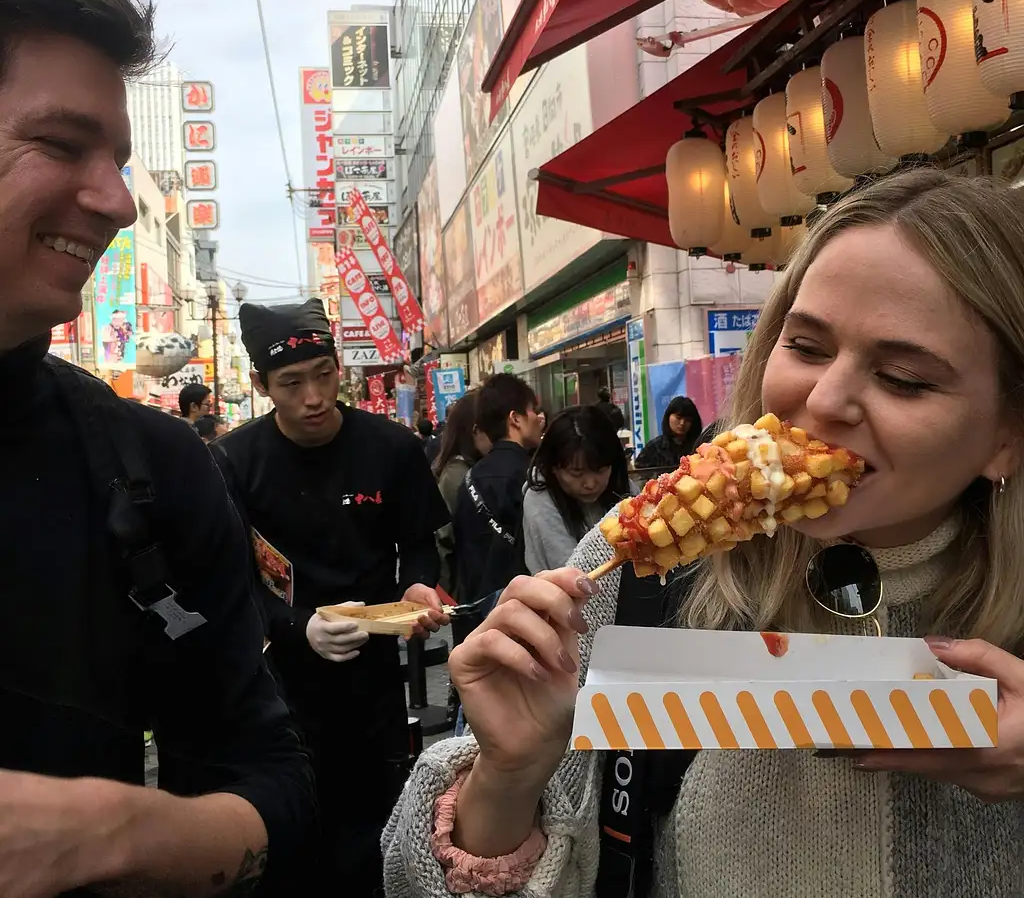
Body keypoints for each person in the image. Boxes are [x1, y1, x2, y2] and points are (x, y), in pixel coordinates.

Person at [382, 170, 1024, 897]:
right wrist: (508, 773)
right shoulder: (634, 574)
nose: (824, 398)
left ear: (1008, 433)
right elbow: (415, 877)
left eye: (904, 376)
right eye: (807, 347)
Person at [0, 0, 314, 896]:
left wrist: (113, 834)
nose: (118, 202)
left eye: (122, 160)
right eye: (61, 144)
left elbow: (274, 782)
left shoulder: (151, 465)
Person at [212, 297, 451, 895]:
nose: (313, 397)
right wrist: (296, 626)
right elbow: (233, 578)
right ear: (261, 384)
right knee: (293, 826)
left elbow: (419, 546)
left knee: (375, 828)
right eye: (292, 383)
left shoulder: (391, 448)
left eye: (324, 375)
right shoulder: (235, 461)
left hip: (373, 673)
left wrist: (416, 587)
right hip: (280, 677)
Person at [451, 373, 544, 605]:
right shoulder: (532, 477)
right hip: (521, 610)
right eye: (533, 410)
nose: (539, 418)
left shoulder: (469, 477)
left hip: (476, 611)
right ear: (516, 419)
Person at [523, 406, 631, 574]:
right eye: (576, 473)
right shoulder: (540, 500)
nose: (590, 483)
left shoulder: (623, 486)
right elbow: (574, 576)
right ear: (553, 467)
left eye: (600, 470)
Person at [432, 391, 488, 600]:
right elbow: (444, 539)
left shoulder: (463, 470)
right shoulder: (457, 475)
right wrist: (447, 596)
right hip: (471, 591)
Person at [634, 394, 703, 470]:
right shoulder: (654, 447)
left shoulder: (699, 447)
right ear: (668, 416)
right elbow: (639, 475)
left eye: (688, 420)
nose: (682, 423)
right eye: (678, 417)